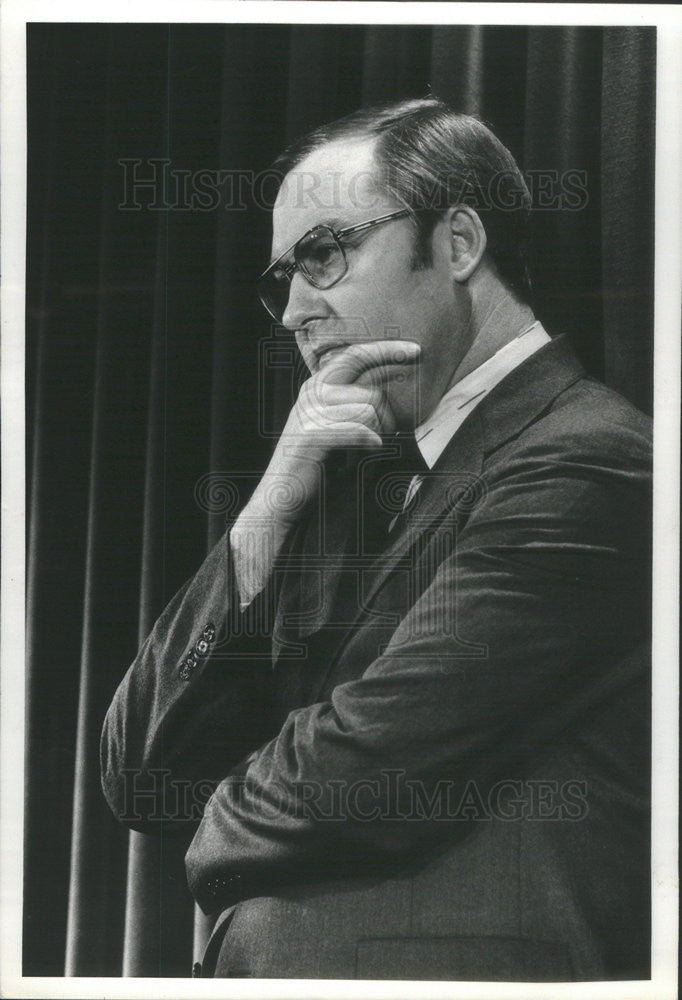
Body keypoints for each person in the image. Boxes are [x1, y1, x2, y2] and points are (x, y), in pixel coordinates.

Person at [100, 98, 652, 982]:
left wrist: (215, 814)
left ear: (459, 243)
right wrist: (273, 499)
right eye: (283, 278)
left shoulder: (587, 461)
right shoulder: (351, 478)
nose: (292, 313)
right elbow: (140, 772)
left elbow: (366, 776)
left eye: (323, 254)